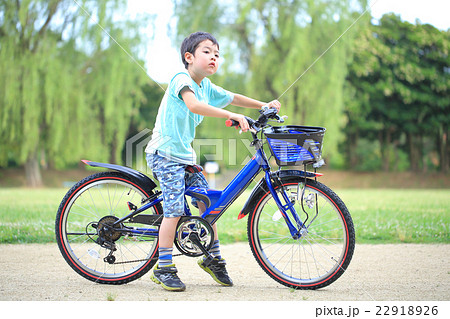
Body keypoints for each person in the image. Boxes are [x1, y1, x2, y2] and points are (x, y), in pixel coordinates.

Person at [145, 31, 280, 291]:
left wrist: (265, 105)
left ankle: (213, 259)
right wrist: (233, 115)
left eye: (217, 54)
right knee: (174, 208)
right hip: (164, 154)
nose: (213, 57)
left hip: (185, 157)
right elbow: (194, 105)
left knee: (209, 205)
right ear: (189, 57)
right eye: (207, 52)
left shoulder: (206, 86)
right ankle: (163, 267)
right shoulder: (181, 79)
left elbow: (235, 97)